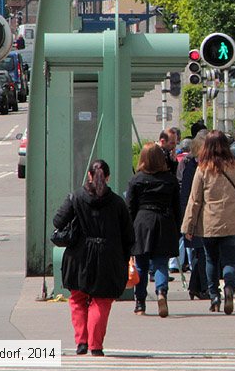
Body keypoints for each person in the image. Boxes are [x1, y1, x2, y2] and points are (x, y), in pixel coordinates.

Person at [53, 160, 134, 356]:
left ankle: (81, 342)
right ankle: (96, 346)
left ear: (89, 176)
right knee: (101, 300)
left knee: (78, 299)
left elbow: (58, 221)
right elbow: (128, 235)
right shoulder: (117, 203)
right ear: (108, 178)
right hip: (108, 258)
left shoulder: (76, 198)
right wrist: (124, 260)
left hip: (78, 257)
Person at [182, 130, 235, 315]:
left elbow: (195, 200)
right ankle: (230, 287)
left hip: (210, 223)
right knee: (230, 260)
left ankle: (214, 296)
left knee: (211, 260)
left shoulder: (202, 169)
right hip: (233, 222)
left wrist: (188, 226)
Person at [127, 144, 181, 317]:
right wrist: (177, 227)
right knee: (160, 263)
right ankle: (161, 292)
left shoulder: (136, 180)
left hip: (142, 222)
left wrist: (128, 229)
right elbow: (177, 207)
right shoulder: (170, 180)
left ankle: (140, 304)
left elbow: (130, 207)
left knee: (141, 265)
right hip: (164, 222)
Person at [178, 130, 209, 299]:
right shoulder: (194, 167)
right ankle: (204, 288)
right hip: (198, 216)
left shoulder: (191, 165)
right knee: (203, 253)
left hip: (199, 215)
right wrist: (188, 220)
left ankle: (195, 287)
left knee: (200, 253)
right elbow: (188, 196)